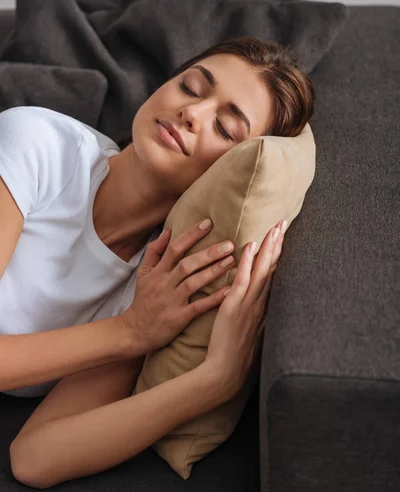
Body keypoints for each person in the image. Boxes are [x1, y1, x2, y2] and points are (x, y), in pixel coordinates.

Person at [0, 36, 314, 488]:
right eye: (191, 86)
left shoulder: (157, 287)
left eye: (226, 129)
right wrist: (128, 333)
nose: (192, 112)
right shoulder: (36, 144)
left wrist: (216, 380)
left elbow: (34, 459)